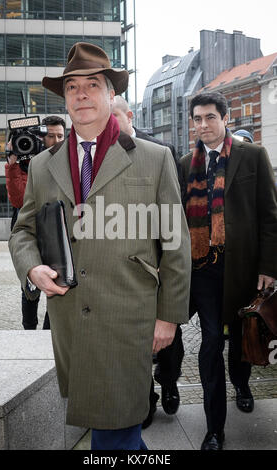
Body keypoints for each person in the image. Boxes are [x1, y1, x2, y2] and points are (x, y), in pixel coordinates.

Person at [8, 42, 191, 450]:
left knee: (117, 430)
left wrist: (169, 318)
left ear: (111, 94)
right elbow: (23, 231)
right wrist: (32, 268)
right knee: (111, 432)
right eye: (72, 87)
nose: (82, 94)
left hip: (129, 320)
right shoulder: (43, 164)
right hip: (71, 320)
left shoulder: (154, 158)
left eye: (93, 84)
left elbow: (175, 244)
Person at [178, 91, 277, 450]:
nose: (203, 125)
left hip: (242, 270)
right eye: (197, 119)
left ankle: (243, 382)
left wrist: (268, 266)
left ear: (224, 118)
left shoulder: (252, 155)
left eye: (210, 118)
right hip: (201, 270)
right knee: (209, 344)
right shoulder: (185, 163)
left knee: (239, 338)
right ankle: (214, 429)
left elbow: (269, 215)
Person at [112, 95, 184, 428]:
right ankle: (147, 399)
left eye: (113, 118)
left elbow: (175, 217)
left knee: (169, 340)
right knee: (135, 346)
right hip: (124, 275)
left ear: (128, 116)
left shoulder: (161, 152)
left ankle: (169, 384)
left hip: (158, 266)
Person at [5, 115, 65, 330]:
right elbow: (19, 200)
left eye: (60, 136)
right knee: (30, 287)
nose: (56, 141)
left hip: (55, 234)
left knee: (57, 282)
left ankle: (50, 331)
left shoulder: (67, 163)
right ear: (40, 138)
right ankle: (29, 331)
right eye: (50, 136)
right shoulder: (27, 163)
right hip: (31, 233)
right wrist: (13, 165)